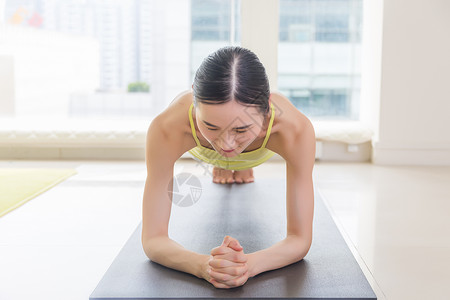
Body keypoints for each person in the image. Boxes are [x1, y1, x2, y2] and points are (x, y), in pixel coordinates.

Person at [142, 46, 315, 289]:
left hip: (261, 144)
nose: (226, 143)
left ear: (266, 105)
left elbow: (300, 239)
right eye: (211, 126)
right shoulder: (167, 127)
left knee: (232, 154)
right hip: (200, 146)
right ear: (194, 102)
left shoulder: (294, 129)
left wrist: (247, 265)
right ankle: (226, 160)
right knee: (225, 154)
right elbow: (153, 238)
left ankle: (240, 163)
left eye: (240, 129)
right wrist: (204, 266)